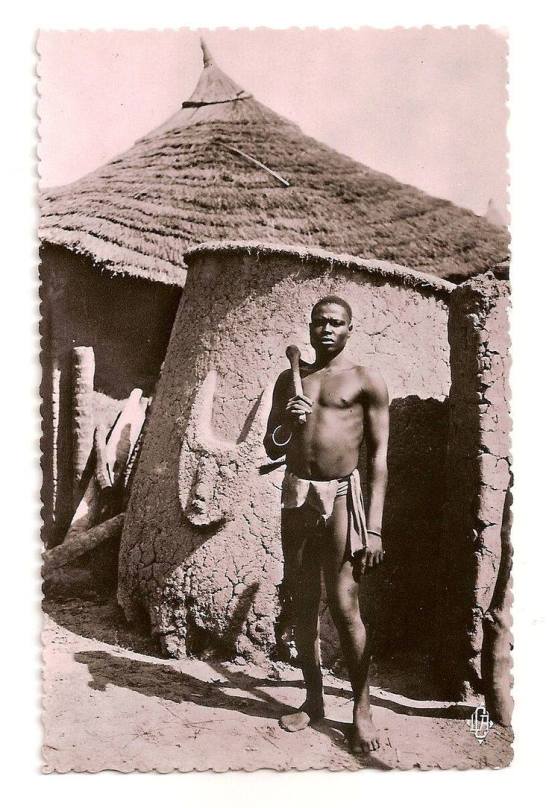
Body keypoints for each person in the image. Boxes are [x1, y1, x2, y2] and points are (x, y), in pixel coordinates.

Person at [263, 295, 389, 753]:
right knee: (301, 602)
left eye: (336, 323)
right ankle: (313, 700)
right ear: (310, 327)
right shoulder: (290, 380)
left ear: (350, 329)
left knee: (344, 603)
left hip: (339, 498)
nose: (327, 329)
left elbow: (379, 459)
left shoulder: (365, 380)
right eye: (320, 322)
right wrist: (287, 421)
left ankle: (362, 708)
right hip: (297, 496)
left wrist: (373, 528)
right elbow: (272, 446)